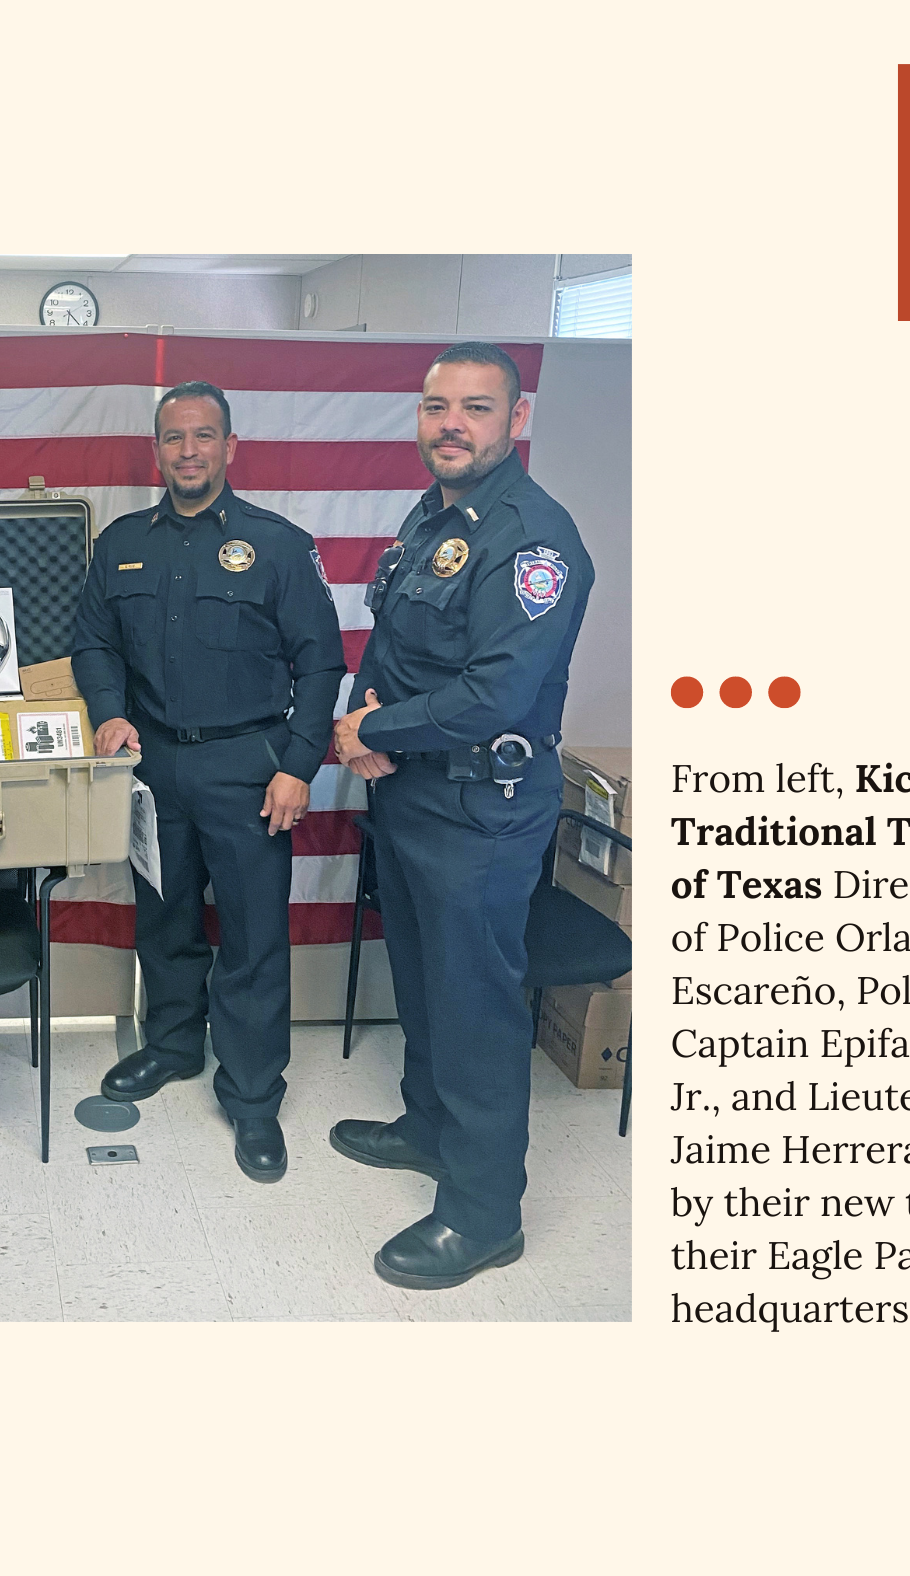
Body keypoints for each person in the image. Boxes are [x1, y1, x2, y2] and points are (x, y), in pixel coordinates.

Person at [331, 342, 593, 1288]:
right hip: (413, 790)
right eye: (436, 406)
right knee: (423, 977)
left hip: (483, 806)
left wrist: (373, 729)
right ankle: (429, 1128)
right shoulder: (434, 517)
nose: (452, 424)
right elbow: (394, 645)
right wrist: (364, 720)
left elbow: (495, 694)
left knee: (475, 1004)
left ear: (516, 420)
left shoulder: (532, 541)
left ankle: (484, 1216)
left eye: (476, 408)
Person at [72, 381, 346, 1182]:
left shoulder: (279, 545)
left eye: (203, 435)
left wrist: (298, 766)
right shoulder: (122, 543)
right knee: (165, 917)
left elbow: (320, 664)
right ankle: (172, 1046)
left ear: (230, 447)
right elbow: (94, 644)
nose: (188, 450)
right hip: (154, 765)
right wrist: (109, 714)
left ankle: (253, 1096)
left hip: (249, 769)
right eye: (173, 437)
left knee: (254, 937)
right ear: (156, 450)